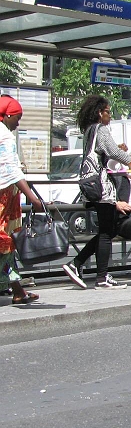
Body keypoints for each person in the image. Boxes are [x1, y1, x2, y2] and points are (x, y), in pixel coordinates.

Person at [62, 95, 131, 290]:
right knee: (106, 232)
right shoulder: (101, 128)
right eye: (108, 112)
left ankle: (77, 264)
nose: (110, 115)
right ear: (100, 113)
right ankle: (100, 276)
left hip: (90, 185)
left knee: (106, 231)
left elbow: (104, 151)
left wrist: (117, 149)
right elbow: (113, 153)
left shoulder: (89, 131)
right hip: (101, 188)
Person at [0, 95, 45, 304]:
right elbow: (11, 171)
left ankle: (16, 288)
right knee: (5, 243)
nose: (18, 123)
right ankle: (17, 289)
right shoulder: (5, 136)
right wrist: (32, 198)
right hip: (3, 198)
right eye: (17, 118)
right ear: (7, 115)